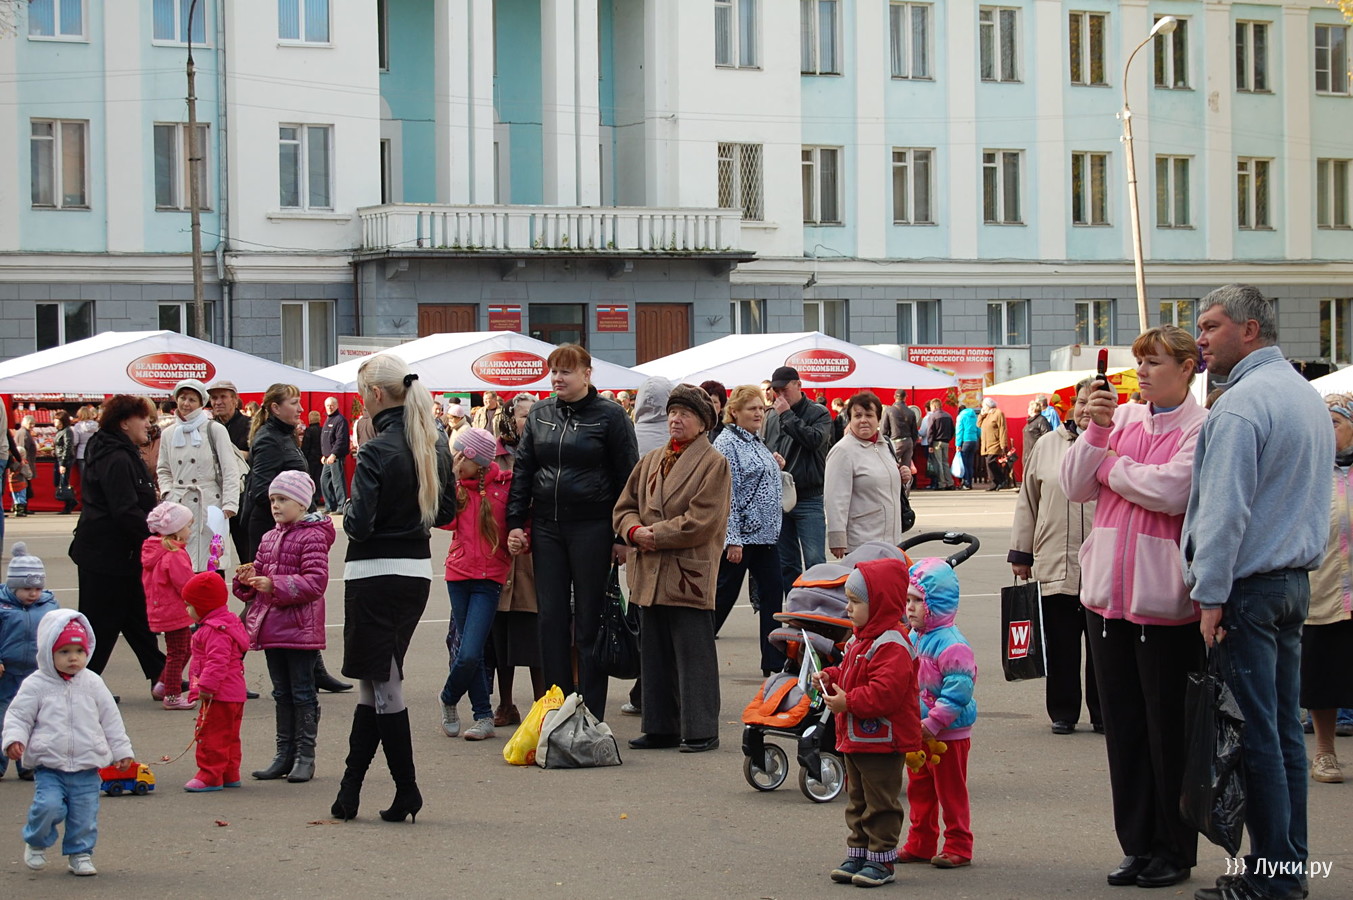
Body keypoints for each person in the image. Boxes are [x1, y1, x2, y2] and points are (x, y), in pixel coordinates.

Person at [1182, 285, 1333, 900]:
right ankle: (1286, 868)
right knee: (1283, 734)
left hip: (1249, 589)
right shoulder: (1301, 393)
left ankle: (1273, 879)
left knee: (1260, 739)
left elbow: (1224, 513)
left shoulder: (1242, 404)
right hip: (1292, 584)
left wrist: (1210, 595)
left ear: (1249, 330)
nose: (1201, 339)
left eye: (1211, 326)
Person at [1061, 324, 1207, 890]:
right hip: (1106, 602)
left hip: (1165, 607)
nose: (1141, 372)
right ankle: (1137, 844)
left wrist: (1111, 470)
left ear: (1187, 368)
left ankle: (1175, 847)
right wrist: (1097, 433)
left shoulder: (1201, 427)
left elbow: (1172, 491)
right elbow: (1074, 485)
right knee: (1123, 733)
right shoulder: (1120, 419)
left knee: (1168, 734)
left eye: (1155, 362)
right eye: (1139, 362)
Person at [331, 354, 453, 824]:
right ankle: (351, 790)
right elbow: (444, 513)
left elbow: (358, 525)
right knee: (375, 681)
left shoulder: (377, 449)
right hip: (415, 572)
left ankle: (406, 789)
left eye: (363, 393)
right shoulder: (431, 442)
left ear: (376, 394)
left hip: (373, 572)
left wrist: (352, 501)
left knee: (383, 684)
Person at [505, 344, 638, 722]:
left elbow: (627, 478)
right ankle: (556, 706)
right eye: (554, 372)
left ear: (586, 374)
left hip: (593, 527)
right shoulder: (541, 413)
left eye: (565, 371)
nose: (557, 379)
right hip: (547, 527)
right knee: (550, 619)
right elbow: (524, 471)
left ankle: (591, 711)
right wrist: (516, 522)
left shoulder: (611, 416)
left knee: (590, 621)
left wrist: (622, 536)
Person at [614, 384, 730, 753]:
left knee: (694, 653)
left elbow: (703, 521)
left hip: (687, 571)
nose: (676, 420)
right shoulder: (651, 459)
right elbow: (624, 506)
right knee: (654, 652)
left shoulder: (714, 463)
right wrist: (633, 530)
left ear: (703, 423)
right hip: (649, 567)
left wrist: (654, 535)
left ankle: (701, 729)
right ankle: (660, 726)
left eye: (685, 414)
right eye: (673, 413)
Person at [814, 557, 921, 889]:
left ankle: (882, 858)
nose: (848, 608)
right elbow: (849, 672)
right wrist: (830, 676)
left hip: (883, 740)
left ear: (880, 605)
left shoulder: (892, 644)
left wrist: (849, 702)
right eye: (848, 600)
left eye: (855, 602)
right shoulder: (860, 639)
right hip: (857, 738)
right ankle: (858, 851)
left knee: (880, 801)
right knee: (857, 798)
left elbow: (886, 693)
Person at [3, 610, 132, 876]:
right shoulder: (36, 684)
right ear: (48, 652)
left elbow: (111, 719)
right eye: (64, 652)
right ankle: (36, 841)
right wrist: (14, 739)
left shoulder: (93, 682)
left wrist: (121, 751)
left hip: (87, 764)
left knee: (84, 815)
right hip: (50, 765)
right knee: (48, 806)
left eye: (79, 651)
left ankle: (80, 853)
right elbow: (19, 715)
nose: (73, 658)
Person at [1008, 379, 1101, 735]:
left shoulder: (1117, 444)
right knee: (1061, 644)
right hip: (1055, 562)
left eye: (1094, 402)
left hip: (1102, 568)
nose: (1086, 408)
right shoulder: (1047, 445)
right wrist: (1021, 553)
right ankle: (1063, 711)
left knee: (1103, 649)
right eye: (1081, 401)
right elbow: (1027, 501)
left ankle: (1103, 712)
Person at [235, 470, 335, 784]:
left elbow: (316, 582)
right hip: (272, 626)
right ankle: (283, 754)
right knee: (281, 692)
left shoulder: (313, 536)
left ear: (302, 504)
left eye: (283, 499)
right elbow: (259, 576)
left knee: (302, 691)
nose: (276, 506)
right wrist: (247, 582)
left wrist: (274, 584)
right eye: (273, 500)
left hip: (300, 627)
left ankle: (305, 756)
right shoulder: (269, 537)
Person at [67, 395, 167, 692]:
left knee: (136, 617)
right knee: (101, 623)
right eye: (143, 418)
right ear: (124, 423)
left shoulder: (117, 449)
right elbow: (124, 510)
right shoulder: (116, 456)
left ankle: (162, 676)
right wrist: (157, 538)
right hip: (107, 554)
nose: (149, 424)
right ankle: (80, 686)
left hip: (118, 554)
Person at [899, 557, 977, 869]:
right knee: (919, 790)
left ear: (937, 602)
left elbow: (959, 692)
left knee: (950, 791)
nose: (910, 607)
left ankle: (959, 844)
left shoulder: (953, 645)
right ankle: (921, 842)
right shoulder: (913, 637)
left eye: (918, 600)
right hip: (919, 731)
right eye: (907, 600)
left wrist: (933, 722)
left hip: (948, 734)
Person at [439, 428, 512, 743]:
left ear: (478, 462)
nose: (456, 461)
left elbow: (518, 524)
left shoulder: (504, 487)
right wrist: (447, 482)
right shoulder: (456, 488)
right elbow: (444, 521)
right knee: (473, 651)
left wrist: (521, 539)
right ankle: (483, 716)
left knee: (469, 652)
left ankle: (448, 696)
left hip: (489, 578)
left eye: (461, 456)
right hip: (458, 575)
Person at [711, 385, 785, 675]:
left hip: (765, 536)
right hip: (741, 538)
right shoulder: (727, 443)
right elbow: (726, 494)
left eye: (761, 408)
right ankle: (690, 650)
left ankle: (774, 662)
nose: (758, 413)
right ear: (734, 412)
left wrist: (774, 464)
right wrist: (732, 539)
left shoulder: (755, 440)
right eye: (751, 408)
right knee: (722, 598)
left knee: (773, 596)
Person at [1303, 394, 1353, 785]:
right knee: (1324, 676)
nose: (1326, 430)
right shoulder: (1310, 470)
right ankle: (1324, 752)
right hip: (1324, 590)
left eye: (1334, 422)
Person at [487, 396, 544, 727]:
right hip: (499, 555)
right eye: (524, 415)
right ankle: (505, 704)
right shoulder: (491, 456)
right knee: (501, 637)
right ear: (508, 418)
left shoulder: (543, 450)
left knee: (535, 633)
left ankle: (541, 705)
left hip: (534, 557)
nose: (529, 420)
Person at [156, 379, 240, 574]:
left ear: (201, 403)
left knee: (212, 562)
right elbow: (163, 469)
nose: (186, 404)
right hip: (179, 504)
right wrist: (168, 493)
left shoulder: (214, 429)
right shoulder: (168, 433)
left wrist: (229, 505)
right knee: (181, 565)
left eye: (192, 399)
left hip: (210, 504)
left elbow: (230, 469)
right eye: (182, 398)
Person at [762, 366, 833, 594]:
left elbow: (814, 440)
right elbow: (766, 446)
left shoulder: (818, 413)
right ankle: (794, 606)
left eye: (785, 390)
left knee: (815, 561)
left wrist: (787, 415)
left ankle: (819, 605)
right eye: (777, 391)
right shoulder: (771, 416)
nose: (781, 396)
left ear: (799, 385)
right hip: (780, 498)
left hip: (809, 497)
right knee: (787, 563)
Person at [182, 572, 249, 793]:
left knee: (211, 735)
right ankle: (229, 772)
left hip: (219, 693)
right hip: (234, 692)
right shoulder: (228, 623)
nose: (187, 610)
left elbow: (216, 662)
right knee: (229, 736)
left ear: (203, 606)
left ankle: (210, 775)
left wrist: (206, 687)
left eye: (190, 606)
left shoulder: (214, 630)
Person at [0, 542, 60, 780]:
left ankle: (28, 763)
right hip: (7, 673)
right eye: (26, 589)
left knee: (34, 718)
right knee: (4, 718)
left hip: (35, 673)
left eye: (37, 588)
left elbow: (57, 636)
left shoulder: (48, 606)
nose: (33, 594)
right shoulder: (3, 607)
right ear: (13, 586)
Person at [824, 392, 903, 558]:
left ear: (878, 419)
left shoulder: (885, 445)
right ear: (850, 419)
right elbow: (835, 498)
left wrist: (903, 477)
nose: (863, 420)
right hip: (862, 541)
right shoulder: (843, 451)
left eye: (869, 415)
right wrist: (837, 538)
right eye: (858, 415)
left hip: (891, 540)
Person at [141, 501, 198, 711]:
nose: (190, 531)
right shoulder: (174, 554)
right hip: (174, 610)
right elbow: (185, 583)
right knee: (178, 652)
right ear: (176, 530)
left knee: (184, 648)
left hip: (162, 608)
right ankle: (172, 694)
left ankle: (164, 684)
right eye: (188, 526)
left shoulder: (156, 550)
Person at [208, 381, 252, 562]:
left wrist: (234, 454)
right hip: (215, 500)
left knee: (247, 555)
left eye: (223, 397)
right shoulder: (207, 428)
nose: (218, 402)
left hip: (242, 498)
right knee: (214, 557)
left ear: (235, 400)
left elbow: (257, 455)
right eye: (214, 398)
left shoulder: (250, 425)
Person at [319, 396, 350, 515]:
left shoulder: (340, 420)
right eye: (327, 405)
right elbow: (326, 439)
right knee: (324, 480)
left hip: (335, 457)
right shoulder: (328, 420)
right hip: (327, 457)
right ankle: (330, 506)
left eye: (332, 405)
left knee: (338, 482)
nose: (330, 407)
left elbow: (341, 439)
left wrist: (334, 454)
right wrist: (324, 454)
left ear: (337, 406)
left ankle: (341, 506)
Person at [881, 390, 919, 479]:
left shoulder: (889, 410)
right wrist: (912, 444)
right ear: (905, 398)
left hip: (895, 442)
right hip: (908, 441)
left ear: (894, 397)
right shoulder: (911, 412)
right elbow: (914, 432)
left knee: (892, 466)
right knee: (906, 470)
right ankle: (905, 486)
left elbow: (884, 429)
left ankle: (894, 485)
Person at [977, 399, 1011, 491]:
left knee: (990, 462)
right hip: (986, 444)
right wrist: (981, 415)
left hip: (995, 443)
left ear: (988, 405)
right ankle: (994, 483)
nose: (983, 407)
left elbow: (1002, 429)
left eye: (984, 406)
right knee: (988, 464)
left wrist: (1003, 444)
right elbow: (979, 424)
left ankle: (1002, 480)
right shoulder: (986, 415)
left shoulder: (998, 413)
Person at [925, 399, 955, 490]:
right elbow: (953, 430)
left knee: (938, 463)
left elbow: (930, 431)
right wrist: (948, 439)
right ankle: (950, 483)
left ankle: (941, 484)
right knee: (945, 463)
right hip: (946, 442)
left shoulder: (933, 416)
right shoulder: (948, 416)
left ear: (934, 406)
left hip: (936, 442)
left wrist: (930, 444)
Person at [10, 415, 36, 516]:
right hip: (23, 464)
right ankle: (21, 508)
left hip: (23, 463)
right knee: (23, 488)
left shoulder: (24, 432)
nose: (32, 425)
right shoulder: (23, 433)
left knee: (22, 489)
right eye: (30, 423)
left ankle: (21, 507)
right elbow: (21, 449)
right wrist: (23, 461)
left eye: (33, 424)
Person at [52, 411, 77, 514]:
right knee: (59, 481)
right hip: (59, 458)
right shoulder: (60, 431)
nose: (54, 422)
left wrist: (63, 463)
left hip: (64, 459)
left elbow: (68, 446)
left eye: (56, 420)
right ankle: (70, 501)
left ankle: (69, 502)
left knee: (64, 482)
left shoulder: (67, 431)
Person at [955, 401, 979, 490]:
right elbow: (978, 429)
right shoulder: (973, 416)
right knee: (970, 463)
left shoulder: (961, 417)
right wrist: (977, 437)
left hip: (965, 441)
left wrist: (958, 444)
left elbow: (959, 431)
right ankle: (970, 483)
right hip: (974, 441)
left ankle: (966, 483)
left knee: (964, 463)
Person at [301, 410, 324, 507]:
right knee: (319, 478)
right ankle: (320, 497)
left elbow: (306, 446)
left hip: (311, 458)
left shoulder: (309, 431)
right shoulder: (323, 430)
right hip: (321, 457)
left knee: (311, 478)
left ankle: (313, 498)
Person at [700, 380, 727, 444]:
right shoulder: (691, 426)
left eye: (714, 402)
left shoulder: (726, 431)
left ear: (722, 406)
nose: (710, 405)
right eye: (706, 401)